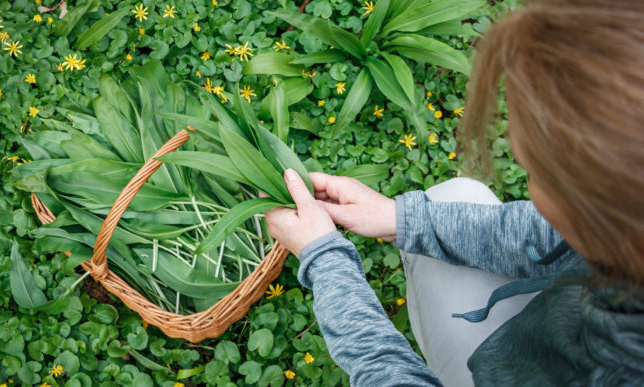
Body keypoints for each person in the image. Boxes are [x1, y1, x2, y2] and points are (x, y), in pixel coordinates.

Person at [264, 0, 644, 385]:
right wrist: (404, 219)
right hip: (542, 340)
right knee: (455, 194)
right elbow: (556, 236)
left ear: (604, 219)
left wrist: (325, 260)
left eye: (534, 171)